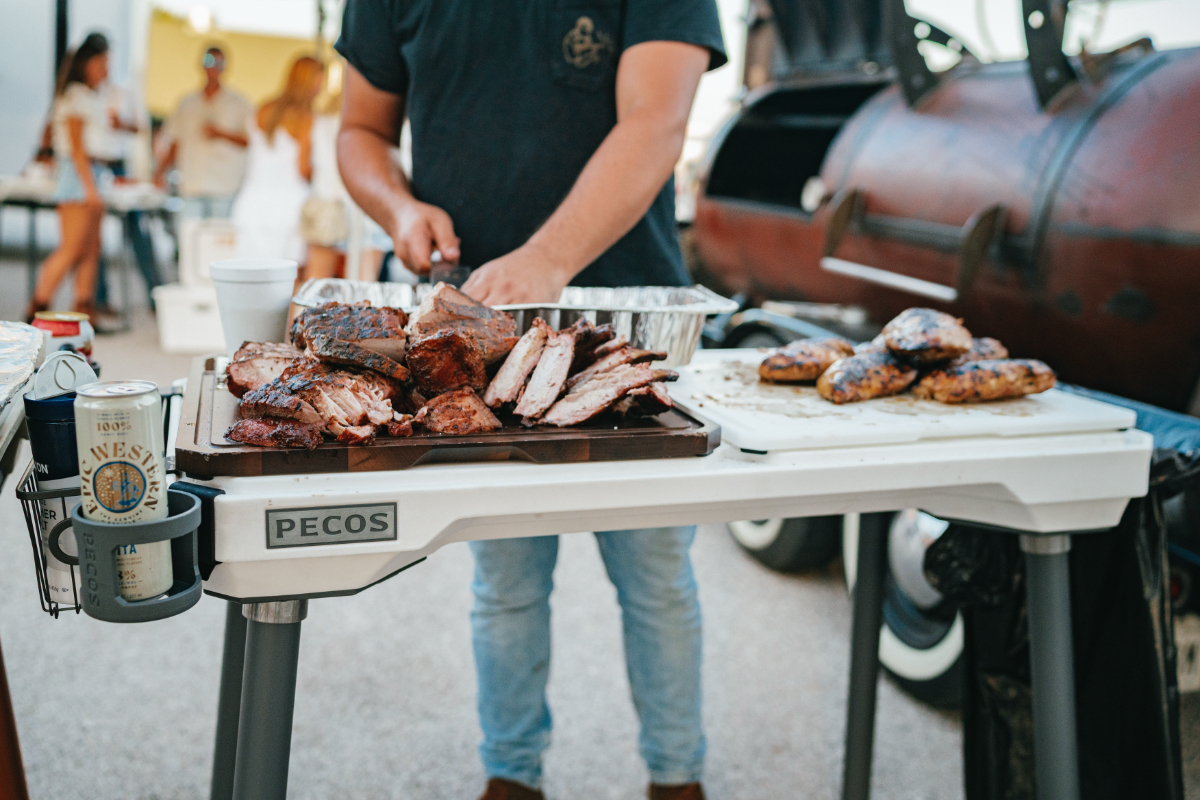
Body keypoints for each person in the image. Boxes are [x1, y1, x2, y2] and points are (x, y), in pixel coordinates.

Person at [335, 3, 725, 799]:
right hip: (472, 330)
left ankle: (678, 778)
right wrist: (400, 208)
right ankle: (512, 775)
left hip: (624, 330)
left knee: (655, 577)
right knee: (507, 581)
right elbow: (359, 130)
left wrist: (548, 260)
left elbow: (657, 120)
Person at [28, 32, 113, 320]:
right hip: (80, 175)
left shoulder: (92, 96)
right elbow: (77, 148)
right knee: (72, 248)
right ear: (87, 63)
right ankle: (37, 308)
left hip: (94, 173)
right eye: (102, 62)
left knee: (91, 250)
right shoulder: (75, 96)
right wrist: (90, 189)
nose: (106, 68)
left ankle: (84, 312)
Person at [230, 56, 325, 262]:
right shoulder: (306, 118)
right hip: (288, 206)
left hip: (251, 201)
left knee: (249, 275)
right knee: (284, 281)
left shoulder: (263, 109)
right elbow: (303, 170)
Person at [154, 47, 252, 219]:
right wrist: (159, 173)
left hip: (224, 188)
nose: (213, 68)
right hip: (193, 186)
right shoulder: (187, 104)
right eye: (209, 61)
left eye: (218, 63)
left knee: (218, 242)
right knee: (190, 238)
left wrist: (221, 134)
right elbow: (176, 142)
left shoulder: (239, 104)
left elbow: (251, 140)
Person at [92, 70, 161, 312]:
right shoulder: (83, 94)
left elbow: (141, 126)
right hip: (93, 166)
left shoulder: (122, 91)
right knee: (92, 237)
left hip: (117, 164)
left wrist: (122, 123)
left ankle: (156, 293)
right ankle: (98, 299)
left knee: (137, 231)